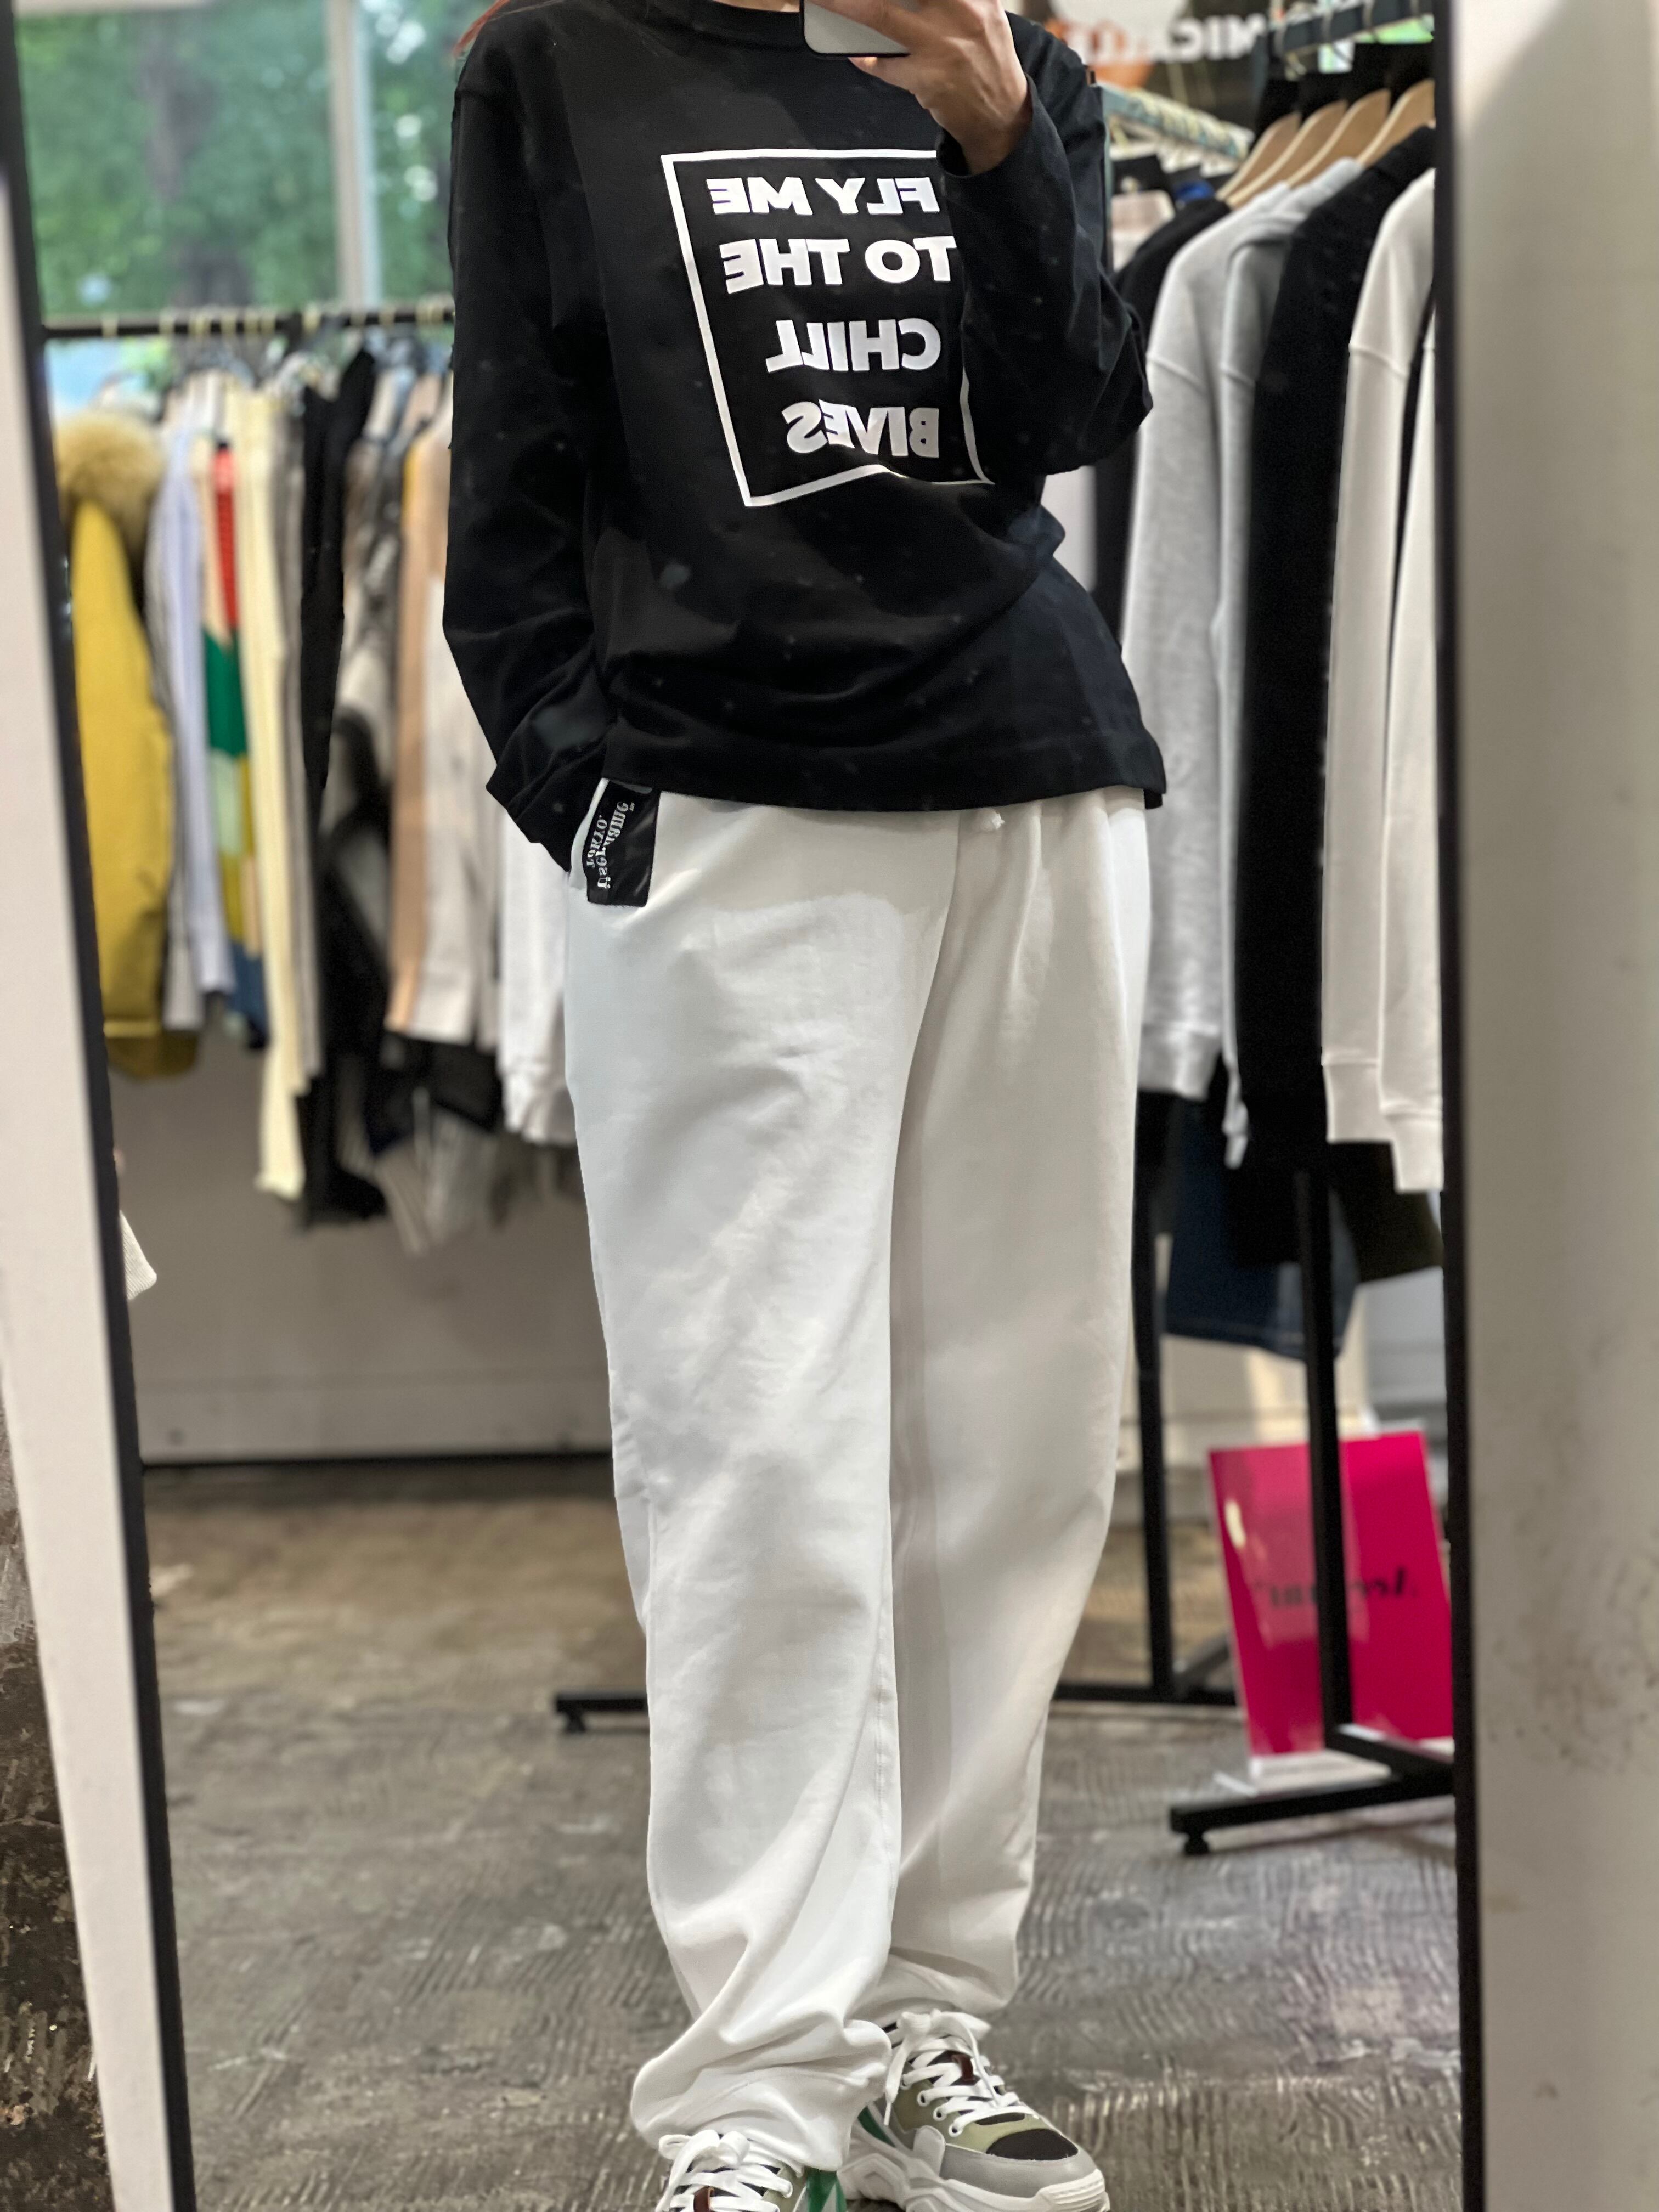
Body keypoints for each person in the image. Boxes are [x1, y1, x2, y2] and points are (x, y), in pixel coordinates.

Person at [444, 0, 1163, 2201]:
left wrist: (1006, 126)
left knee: (1012, 1445)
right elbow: (513, 475)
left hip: (1032, 777)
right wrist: (585, 791)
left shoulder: (997, 44)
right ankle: (760, 2082)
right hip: (729, 811)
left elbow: (1070, 411)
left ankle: (926, 2024)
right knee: (751, 1447)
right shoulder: (555, 58)